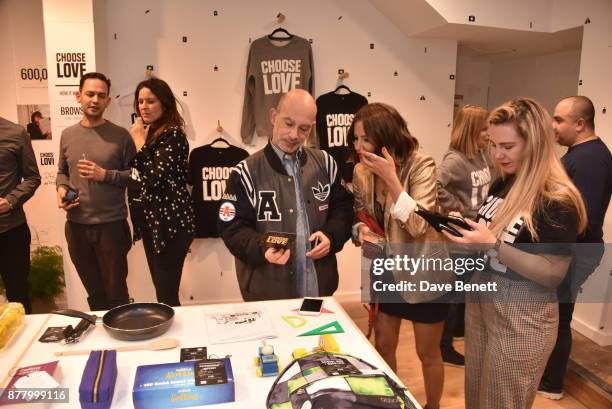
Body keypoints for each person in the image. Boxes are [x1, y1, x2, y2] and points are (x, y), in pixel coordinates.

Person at [444, 98, 587, 409]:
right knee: (477, 400)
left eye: (507, 146)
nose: (497, 154)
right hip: (484, 309)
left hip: (522, 321)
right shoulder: (505, 182)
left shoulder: (556, 198)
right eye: (493, 144)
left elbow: (552, 273)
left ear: (534, 144)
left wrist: (492, 246)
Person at [350, 103, 452, 409]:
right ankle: (389, 401)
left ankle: (432, 406)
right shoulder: (360, 171)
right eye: (354, 139)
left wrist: (392, 180)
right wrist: (360, 229)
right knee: (382, 343)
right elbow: (361, 212)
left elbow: (420, 224)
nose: (358, 147)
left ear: (385, 136)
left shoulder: (421, 164)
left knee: (427, 352)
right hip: (385, 267)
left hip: (425, 270)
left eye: (364, 139)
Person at [219, 89, 353, 301]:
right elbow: (231, 228)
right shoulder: (244, 172)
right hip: (267, 292)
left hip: (320, 287)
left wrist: (331, 235)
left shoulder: (326, 164)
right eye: (288, 124)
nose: (294, 135)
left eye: (304, 129)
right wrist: (262, 247)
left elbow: (344, 210)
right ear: (273, 116)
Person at [538, 96, 612, 399]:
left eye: (559, 120)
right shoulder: (578, 155)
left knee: (559, 316)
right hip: (567, 252)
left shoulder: (591, 159)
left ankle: (552, 383)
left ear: (580, 124)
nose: (553, 126)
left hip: (574, 253)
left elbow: (586, 218)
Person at [57, 72, 135, 311]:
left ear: (108, 101)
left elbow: (137, 176)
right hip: (77, 226)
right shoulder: (67, 135)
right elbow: (62, 171)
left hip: (111, 227)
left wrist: (105, 175)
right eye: (90, 94)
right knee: (95, 294)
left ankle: (119, 343)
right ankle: (101, 344)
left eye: (101, 96)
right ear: (78, 96)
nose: (95, 100)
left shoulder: (121, 136)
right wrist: (61, 188)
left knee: (117, 295)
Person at [129, 77, 194, 307]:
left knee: (166, 294)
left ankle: (179, 338)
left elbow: (153, 176)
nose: (143, 107)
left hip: (171, 224)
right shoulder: (152, 134)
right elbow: (137, 175)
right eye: (140, 101)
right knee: (162, 292)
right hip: (153, 222)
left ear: (164, 104)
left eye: (150, 101)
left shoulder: (174, 135)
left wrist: (138, 141)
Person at [436, 105, 492, 367]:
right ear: (471, 130)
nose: (488, 134)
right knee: (453, 295)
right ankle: (443, 347)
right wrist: (456, 206)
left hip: (476, 237)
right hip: (458, 241)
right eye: (484, 129)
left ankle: (456, 332)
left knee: (465, 291)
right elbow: (435, 185)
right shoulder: (455, 160)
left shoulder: (480, 155)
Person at [0, 117, 41, 313]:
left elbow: (33, 177)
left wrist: (11, 200)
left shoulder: (15, 133)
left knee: (18, 299)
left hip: (11, 231)